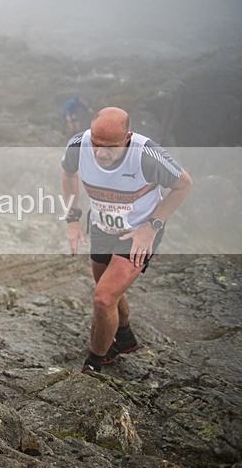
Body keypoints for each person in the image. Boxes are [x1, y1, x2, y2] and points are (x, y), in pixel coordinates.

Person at [61, 107, 192, 373]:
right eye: (96, 144)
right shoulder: (79, 144)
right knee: (107, 286)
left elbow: (184, 184)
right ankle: (126, 337)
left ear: (127, 138)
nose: (100, 153)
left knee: (103, 299)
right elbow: (68, 173)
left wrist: (152, 226)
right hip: (101, 226)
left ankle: (97, 359)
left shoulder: (146, 154)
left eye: (110, 147)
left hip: (138, 234)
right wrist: (73, 218)